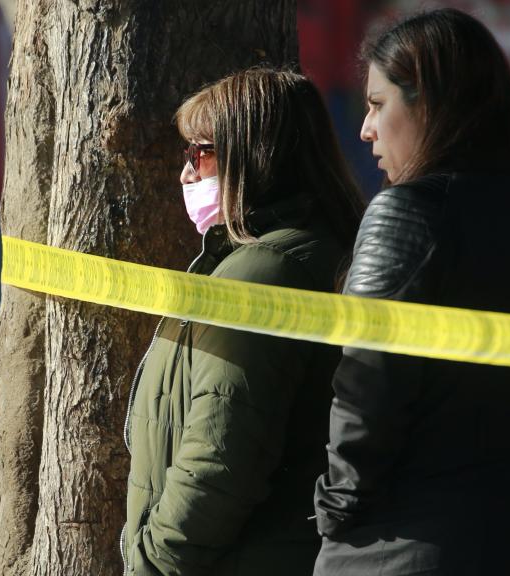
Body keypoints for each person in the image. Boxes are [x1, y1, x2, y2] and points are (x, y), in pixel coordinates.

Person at [312, 8, 510, 576]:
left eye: (378, 104)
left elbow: (368, 388)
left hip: (418, 545)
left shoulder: (407, 213)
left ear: (427, 105)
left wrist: (335, 510)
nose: (365, 129)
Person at [121, 68, 367, 576]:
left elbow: (218, 463)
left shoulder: (261, 274)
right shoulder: (308, 252)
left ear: (254, 156)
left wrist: (150, 562)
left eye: (201, 154)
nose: (185, 174)